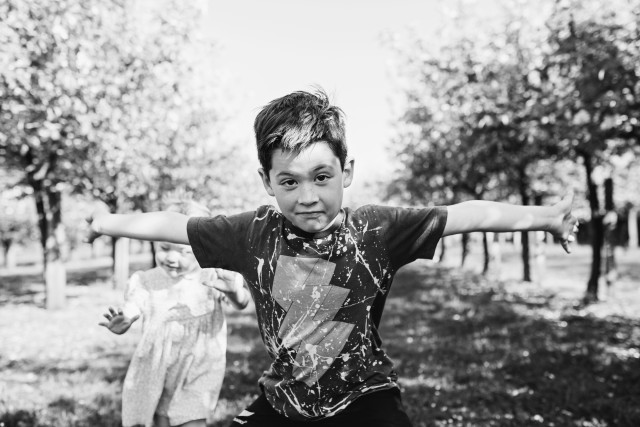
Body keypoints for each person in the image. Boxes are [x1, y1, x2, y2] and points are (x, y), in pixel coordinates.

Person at [88, 88, 579, 427]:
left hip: (366, 396)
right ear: (267, 182)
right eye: (289, 181)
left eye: (321, 177)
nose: (307, 197)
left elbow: (466, 215)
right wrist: (104, 221)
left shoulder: (376, 230)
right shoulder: (251, 233)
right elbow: (172, 225)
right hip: (284, 398)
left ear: (347, 172)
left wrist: (545, 216)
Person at [98, 199, 250, 427]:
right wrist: (126, 317)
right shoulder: (146, 280)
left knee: (192, 418)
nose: (171, 257)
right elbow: (134, 304)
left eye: (184, 252)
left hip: (201, 364)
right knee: (162, 418)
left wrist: (233, 291)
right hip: (157, 365)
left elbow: (242, 303)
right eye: (164, 248)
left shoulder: (213, 276)